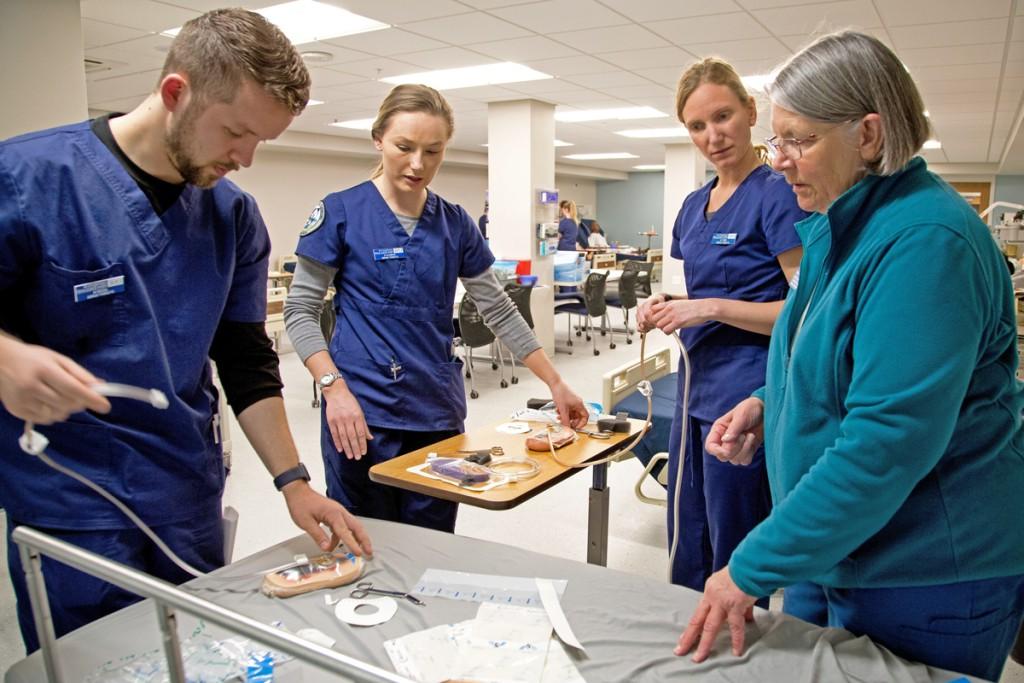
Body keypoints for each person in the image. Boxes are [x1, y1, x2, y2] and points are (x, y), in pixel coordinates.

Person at [0, 8, 372, 653]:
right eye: (235, 132)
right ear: (177, 93)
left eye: (262, 141)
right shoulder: (32, 180)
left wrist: (294, 481)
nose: (246, 158)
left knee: (192, 654)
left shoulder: (232, 217)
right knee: (98, 663)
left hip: (184, 490)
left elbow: (246, 361)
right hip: (73, 504)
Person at [676, 31, 1024, 682]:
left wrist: (750, 566)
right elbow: (827, 357)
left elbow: (887, 440)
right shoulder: (840, 225)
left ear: (868, 135)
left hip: (923, 571)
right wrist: (768, 405)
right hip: (838, 549)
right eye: (775, 140)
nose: (777, 160)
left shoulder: (926, 242)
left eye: (797, 140)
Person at [283, 84, 588, 532]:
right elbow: (300, 310)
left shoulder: (455, 223)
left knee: (431, 539)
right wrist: (332, 388)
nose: (418, 164)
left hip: (435, 411)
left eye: (434, 151)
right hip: (361, 413)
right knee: (365, 538)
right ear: (378, 140)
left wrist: (556, 382)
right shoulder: (341, 213)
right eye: (404, 147)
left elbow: (498, 308)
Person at [635, 58, 806, 603]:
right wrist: (670, 305)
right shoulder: (692, 207)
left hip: (747, 390)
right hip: (694, 388)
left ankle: (734, 642)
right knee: (688, 521)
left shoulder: (778, 193)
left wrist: (706, 307)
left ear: (752, 113)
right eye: (697, 126)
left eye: (724, 116)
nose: (713, 135)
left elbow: (804, 310)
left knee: (734, 530)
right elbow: (707, 296)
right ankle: (686, 626)